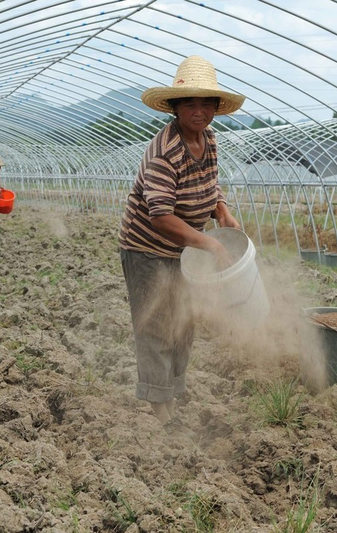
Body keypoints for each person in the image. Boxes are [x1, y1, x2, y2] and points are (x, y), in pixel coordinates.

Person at [118, 55, 245, 425]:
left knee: (184, 323)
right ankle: (159, 409)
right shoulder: (164, 151)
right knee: (157, 324)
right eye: (190, 103)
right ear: (175, 107)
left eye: (206, 103)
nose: (199, 111)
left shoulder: (209, 140)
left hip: (186, 250)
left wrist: (221, 211)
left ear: (216, 108)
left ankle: (171, 393)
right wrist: (211, 244)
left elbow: (209, 183)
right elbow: (160, 216)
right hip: (147, 250)